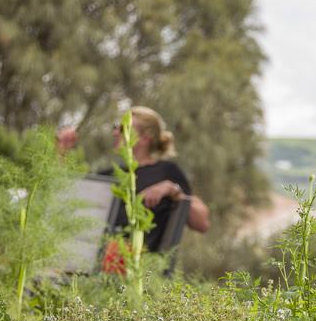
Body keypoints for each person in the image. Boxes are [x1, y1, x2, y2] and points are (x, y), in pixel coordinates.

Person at [57, 106, 210, 270]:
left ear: (145, 138)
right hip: (96, 257)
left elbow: (201, 223)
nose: (115, 133)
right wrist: (62, 152)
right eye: (115, 127)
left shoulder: (166, 171)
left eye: (122, 128)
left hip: (136, 263)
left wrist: (173, 190)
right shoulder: (113, 174)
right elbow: (66, 195)